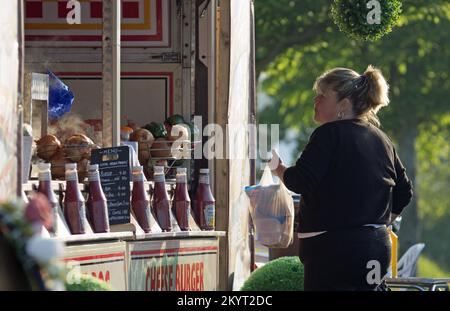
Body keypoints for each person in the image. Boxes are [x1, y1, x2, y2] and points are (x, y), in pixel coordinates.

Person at [271, 65, 413, 291]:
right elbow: (404, 192)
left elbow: (300, 180)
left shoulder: (328, 134)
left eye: (322, 96)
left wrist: (278, 167)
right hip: (375, 246)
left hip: (333, 251)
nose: (315, 101)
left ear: (343, 105)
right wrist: (379, 222)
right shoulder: (382, 139)